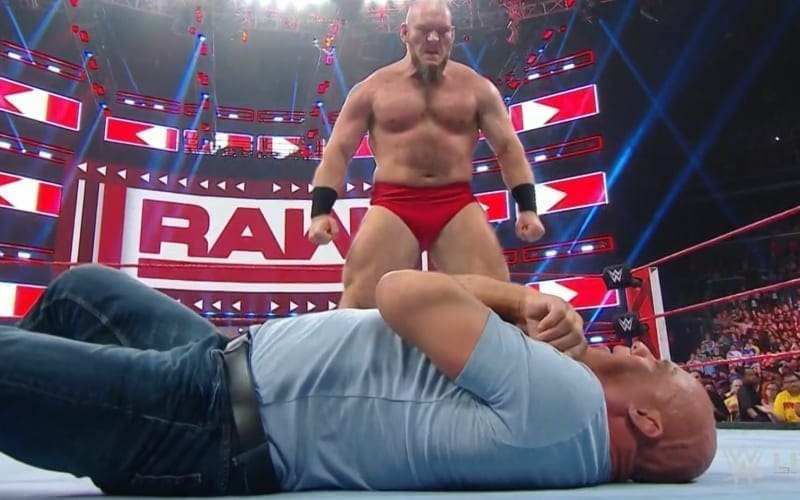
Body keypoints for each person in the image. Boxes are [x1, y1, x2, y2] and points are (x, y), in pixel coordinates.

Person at [0, 264, 716, 496]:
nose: (647, 350)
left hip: (204, 420)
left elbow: (400, 290)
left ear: (646, 421)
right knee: (81, 290)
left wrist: (518, 298)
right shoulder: (568, 421)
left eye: (660, 369)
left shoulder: (568, 403)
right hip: (223, 367)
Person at [308, 0, 545, 308]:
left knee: (498, 304)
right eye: (423, 31)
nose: (433, 39)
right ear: (404, 33)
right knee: (359, 304)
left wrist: (527, 208)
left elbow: (508, 148)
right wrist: (320, 212)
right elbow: (339, 150)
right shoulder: (372, 89)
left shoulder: (477, 89)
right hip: (395, 202)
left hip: (455, 202)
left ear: (452, 34)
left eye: (442, 32)